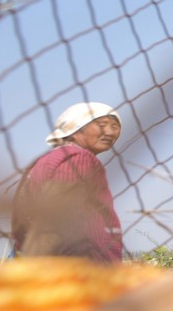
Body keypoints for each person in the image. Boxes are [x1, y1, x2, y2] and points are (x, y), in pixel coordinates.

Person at [11, 102, 125, 262]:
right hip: (79, 267)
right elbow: (60, 215)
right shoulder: (78, 158)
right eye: (101, 124)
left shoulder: (48, 160)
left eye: (115, 126)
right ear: (74, 128)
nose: (110, 132)